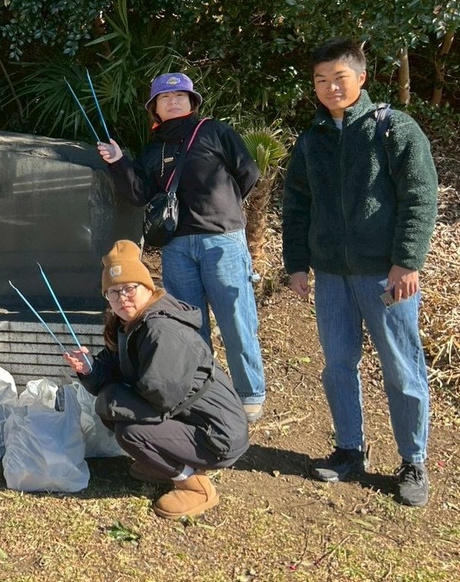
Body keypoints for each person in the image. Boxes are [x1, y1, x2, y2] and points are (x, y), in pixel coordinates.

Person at [282, 39, 438, 507]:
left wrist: (407, 260)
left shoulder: (394, 129)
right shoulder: (311, 141)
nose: (330, 87)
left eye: (339, 78)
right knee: (337, 364)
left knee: (401, 367)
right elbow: (296, 205)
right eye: (320, 80)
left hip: (385, 275)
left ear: (361, 78)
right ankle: (350, 449)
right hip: (331, 275)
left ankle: (413, 460)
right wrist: (297, 265)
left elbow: (420, 195)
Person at [97, 72, 267, 423]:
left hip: (222, 241)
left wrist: (226, 211)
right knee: (190, 328)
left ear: (192, 101)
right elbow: (140, 193)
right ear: (155, 108)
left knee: (236, 320)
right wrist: (118, 162)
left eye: (180, 96)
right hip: (176, 248)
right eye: (164, 98)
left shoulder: (214, 131)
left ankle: (250, 396)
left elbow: (247, 172)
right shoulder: (154, 149)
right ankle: (205, 394)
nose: (173, 102)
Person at [64, 240, 249, 519]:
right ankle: (166, 459)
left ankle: (194, 485)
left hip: (217, 434)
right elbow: (112, 368)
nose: (122, 298)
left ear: (147, 287)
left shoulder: (161, 330)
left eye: (129, 288)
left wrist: (109, 401)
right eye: (113, 292)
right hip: (193, 420)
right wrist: (89, 369)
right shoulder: (131, 324)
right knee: (115, 410)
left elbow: (160, 399)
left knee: (131, 432)